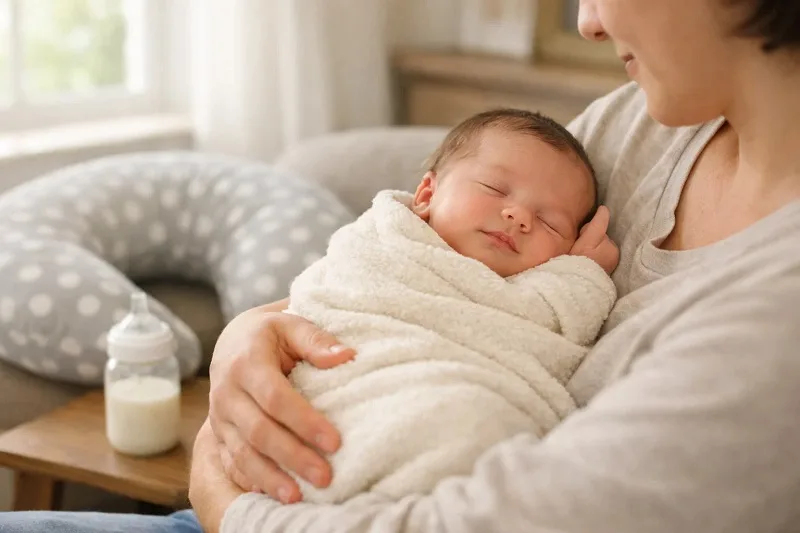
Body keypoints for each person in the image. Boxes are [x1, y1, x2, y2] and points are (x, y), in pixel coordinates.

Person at [2, 0, 799, 531]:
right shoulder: (647, 125)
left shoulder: (777, 318)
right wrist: (258, 331)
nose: (587, 20)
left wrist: (225, 500)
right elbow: (409, 275)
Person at [280, 108, 617, 504]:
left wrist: (583, 275)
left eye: (551, 223)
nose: (519, 216)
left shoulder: (540, 295)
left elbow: (559, 319)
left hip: (460, 425)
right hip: (345, 404)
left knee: (474, 423)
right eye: (495, 188)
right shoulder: (377, 243)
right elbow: (316, 303)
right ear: (426, 195)